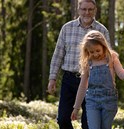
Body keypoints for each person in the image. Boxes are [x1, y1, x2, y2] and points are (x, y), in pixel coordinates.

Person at [46, 0, 110, 129]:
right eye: (84, 9)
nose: (87, 12)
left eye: (90, 9)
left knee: (89, 123)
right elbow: (58, 54)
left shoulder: (102, 30)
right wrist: (52, 78)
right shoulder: (67, 28)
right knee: (63, 119)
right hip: (68, 79)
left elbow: (108, 58)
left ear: (95, 10)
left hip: (92, 81)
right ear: (78, 10)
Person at [70, 30, 124, 129]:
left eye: (98, 50)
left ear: (103, 46)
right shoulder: (88, 63)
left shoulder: (111, 58)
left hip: (109, 100)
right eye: (91, 52)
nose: (95, 54)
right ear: (87, 51)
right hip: (92, 100)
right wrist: (76, 108)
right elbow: (82, 86)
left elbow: (122, 74)